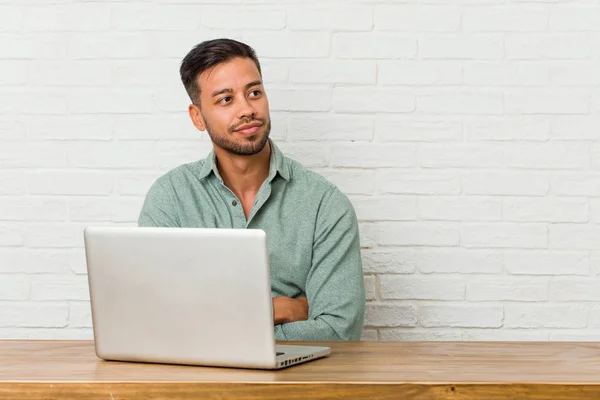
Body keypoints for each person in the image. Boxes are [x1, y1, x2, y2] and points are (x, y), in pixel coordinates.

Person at [138, 38, 365, 340]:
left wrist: (209, 329)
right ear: (197, 117)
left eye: (254, 92)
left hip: (295, 385)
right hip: (196, 385)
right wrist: (278, 310)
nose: (247, 109)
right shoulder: (171, 199)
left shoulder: (325, 205)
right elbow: (154, 322)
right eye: (225, 100)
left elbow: (339, 331)